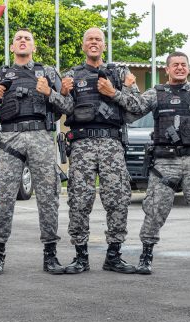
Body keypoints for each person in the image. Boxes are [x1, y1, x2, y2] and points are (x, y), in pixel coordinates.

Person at [114, 51, 190, 275]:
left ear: (189, 68)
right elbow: (133, 111)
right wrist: (124, 89)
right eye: (175, 65)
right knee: (154, 209)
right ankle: (146, 256)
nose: (180, 68)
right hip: (164, 162)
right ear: (167, 69)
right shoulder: (156, 93)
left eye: (184, 64)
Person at [0, 28, 72, 275]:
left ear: (33, 47)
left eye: (27, 39)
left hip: (41, 137)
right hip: (10, 137)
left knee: (48, 196)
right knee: (3, 197)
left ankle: (50, 256)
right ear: (12, 47)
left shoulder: (48, 73)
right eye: (18, 39)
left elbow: (68, 107)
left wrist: (50, 93)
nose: (22, 41)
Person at [59, 27, 139, 275]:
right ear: (83, 46)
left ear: (104, 46)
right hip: (81, 145)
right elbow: (61, 109)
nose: (93, 43)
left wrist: (115, 92)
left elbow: (136, 109)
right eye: (89, 39)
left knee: (117, 199)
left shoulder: (120, 74)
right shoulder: (71, 75)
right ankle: (80, 257)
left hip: (111, 144)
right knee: (79, 200)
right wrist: (62, 92)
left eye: (98, 40)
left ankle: (113, 255)